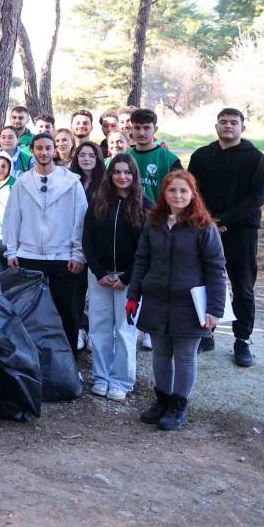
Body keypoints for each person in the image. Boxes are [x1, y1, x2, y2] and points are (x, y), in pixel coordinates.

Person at [127, 171, 227, 430]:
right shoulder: (154, 222)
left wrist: (215, 309)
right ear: (164, 193)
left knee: (184, 357)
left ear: (193, 194)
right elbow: (141, 260)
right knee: (160, 354)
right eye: (172, 190)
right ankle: (161, 401)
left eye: (184, 191)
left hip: (189, 304)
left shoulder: (204, 227)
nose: (178, 195)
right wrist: (133, 295)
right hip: (156, 300)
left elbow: (216, 268)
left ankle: (178, 407)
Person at [187, 107, 264, 366]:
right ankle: (206, 332)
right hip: (205, 227)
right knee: (204, 281)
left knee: (242, 286)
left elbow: (257, 198)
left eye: (234, 122)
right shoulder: (202, 156)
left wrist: (224, 220)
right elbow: (192, 191)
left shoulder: (255, 158)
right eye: (223, 122)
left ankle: (242, 339)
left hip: (242, 231)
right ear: (216, 126)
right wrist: (208, 220)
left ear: (242, 127)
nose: (228, 126)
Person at [3, 133, 89, 357]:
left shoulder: (71, 181)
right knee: (29, 313)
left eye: (48, 148)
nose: (43, 152)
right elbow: (13, 218)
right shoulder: (22, 182)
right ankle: (33, 360)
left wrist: (78, 254)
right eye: (39, 148)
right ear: (32, 151)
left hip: (62, 257)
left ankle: (68, 361)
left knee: (66, 312)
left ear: (55, 151)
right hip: (29, 255)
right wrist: (11, 250)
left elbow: (80, 219)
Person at [82, 153, 151, 401]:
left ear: (134, 176)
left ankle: (121, 380)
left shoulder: (145, 206)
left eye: (127, 173)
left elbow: (147, 248)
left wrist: (128, 277)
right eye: (117, 172)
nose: (122, 177)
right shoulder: (99, 202)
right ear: (110, 175)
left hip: (129, 280)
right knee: (99, 328)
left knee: (124, 330)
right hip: (100, 277)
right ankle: (101, 376)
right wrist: (98, 271)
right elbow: (87, 239)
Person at [129, 108, 181, 202]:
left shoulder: (170, 160)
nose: (141, 133)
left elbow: (179, 193)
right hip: (128, 214)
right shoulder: (125, 157)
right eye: (137, 128)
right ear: (131, 129)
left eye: (146, 128)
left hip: (158, 215)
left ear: (155, 129)